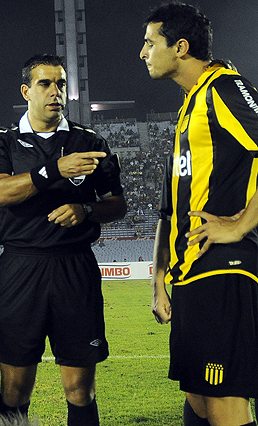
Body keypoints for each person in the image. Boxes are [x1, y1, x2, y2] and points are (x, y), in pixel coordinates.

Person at [0, 54, 127, 425]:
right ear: (26, 90)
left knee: (80, 389)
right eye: (45, 84)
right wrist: (54, 170)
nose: (55, 92)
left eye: (60, 83)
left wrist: (87, 211)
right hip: (20, 267)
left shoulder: (90, 141)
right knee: (14, 389)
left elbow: (117, 204)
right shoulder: (0, 143)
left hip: (75, 266)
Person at [142, 3, 258, 426]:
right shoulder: (190, 107)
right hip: (189, 273)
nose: (143, 52)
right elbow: (169, 208)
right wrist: (159, 279)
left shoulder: (223, 88)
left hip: (222, 271)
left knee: (224, 401)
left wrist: (242, 223)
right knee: (197, 396)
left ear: (181, 47)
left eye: (151, 42)